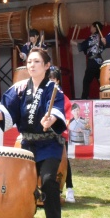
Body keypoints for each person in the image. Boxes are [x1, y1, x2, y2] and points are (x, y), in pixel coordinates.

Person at [0, 48, 67, 218]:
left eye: (37, 62)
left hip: (49, 143)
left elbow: (58, 111)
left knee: (49, 181)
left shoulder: (53, 89)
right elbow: (8, 110)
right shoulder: (20, 88)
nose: (31, 65)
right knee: (23, 184)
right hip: (27, 144)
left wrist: (50, 120)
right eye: (30, 62)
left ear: (47, 66)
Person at [49, 67, 75, 203]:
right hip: (44, 135)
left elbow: (68, 118)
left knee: (64, 161)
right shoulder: (43, 95)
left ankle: (70, 189)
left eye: (52, 80)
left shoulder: (62, 98)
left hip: (59, 134)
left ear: (58, 81)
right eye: (48, 79)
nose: (50, 82)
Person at [78, 22, 105, 99]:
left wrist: (73, 43)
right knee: (101, 82)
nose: (90, 28)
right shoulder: (100, 37)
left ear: (95, 28)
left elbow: (84, 45)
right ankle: (105, 97)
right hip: (100, 62)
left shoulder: (93, 37)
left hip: (93, 62)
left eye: (91, 27)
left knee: (86, 81)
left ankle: (84, 98)